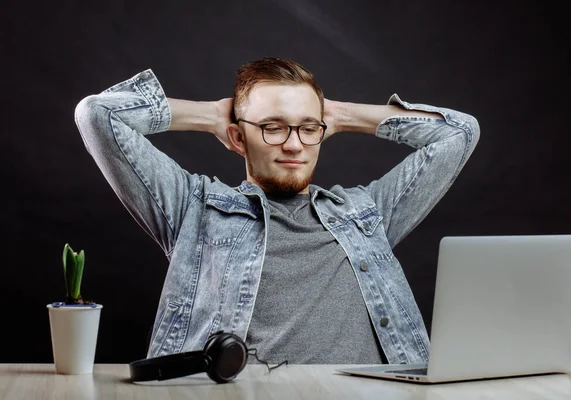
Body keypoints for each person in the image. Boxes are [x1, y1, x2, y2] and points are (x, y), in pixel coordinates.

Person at [74, 57, 480, 365]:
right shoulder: (192, 209)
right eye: (272, 127)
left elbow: (458, 134)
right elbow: (98, 114)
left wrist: (340, 115)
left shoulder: (367, 214)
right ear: (237, 137)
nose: (293, 145)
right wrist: (211, 115)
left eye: (308, 128)